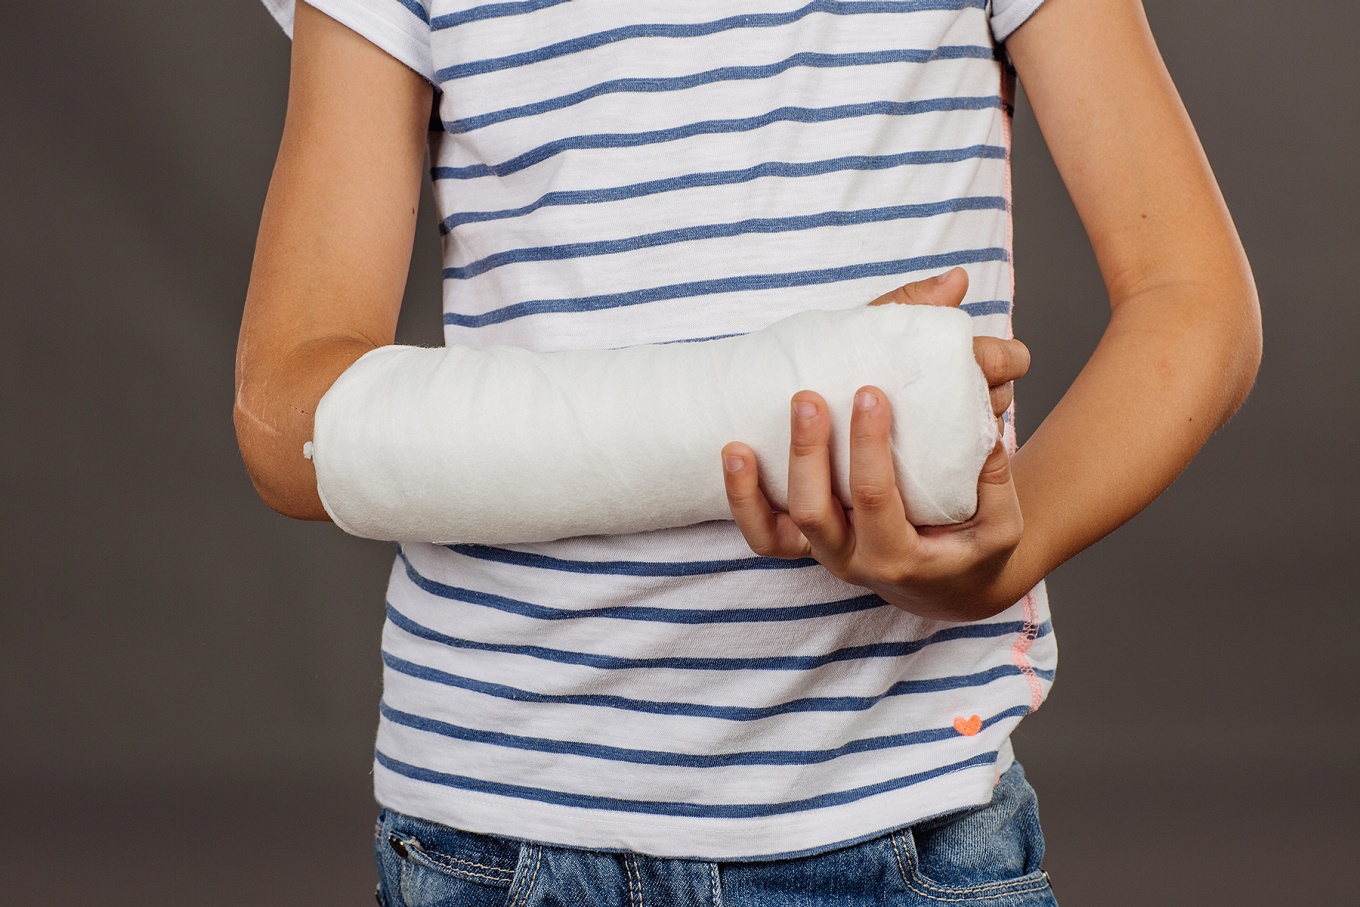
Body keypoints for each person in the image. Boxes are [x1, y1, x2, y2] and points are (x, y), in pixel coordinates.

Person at [236, 1, 1261, 903]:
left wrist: (1004, 554)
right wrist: (747, 407)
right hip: (494, 838)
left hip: (893, 818)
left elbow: (1193, 300)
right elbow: (289, 422)